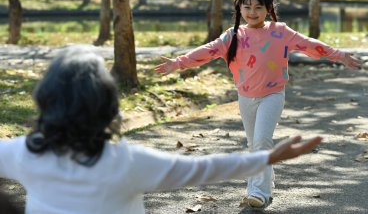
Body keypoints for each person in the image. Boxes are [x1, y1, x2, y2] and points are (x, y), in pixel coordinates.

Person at [0, 46, 322, 214]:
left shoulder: (26, 153)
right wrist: (267, 158)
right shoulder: (125, 162)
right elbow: (202, 169)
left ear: (45, 100)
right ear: (108, 106)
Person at [155, 0, 361, 209]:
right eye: (247, 7)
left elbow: (309, 45)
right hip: (245, 97)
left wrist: (339, 55)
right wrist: (178, 63)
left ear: (268, 9)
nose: (252, 12)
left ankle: (258, 192)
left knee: (262, 141)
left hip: (272, 94)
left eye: (258, 7)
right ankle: (265, 180)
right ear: (239, 10)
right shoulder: (232, 36)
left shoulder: (280, 32)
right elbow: (207, 51)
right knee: (255, 144)